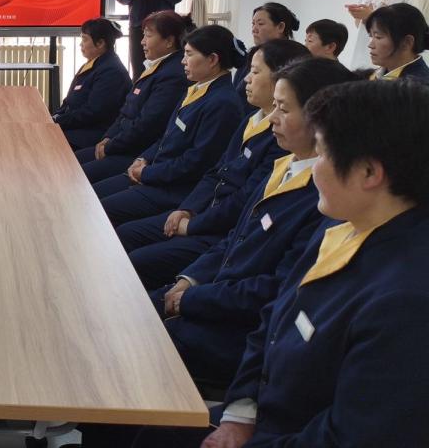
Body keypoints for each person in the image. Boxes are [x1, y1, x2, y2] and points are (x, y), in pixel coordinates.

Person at [149, 80, 429, 448]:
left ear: (368, 173)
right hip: (263, 413)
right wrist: (240, 413)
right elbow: (274, 317)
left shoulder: (406, 299)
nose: (314, 168)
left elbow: (351, 436)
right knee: (148, 427)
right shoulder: (340, 225)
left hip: (287, 435)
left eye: (323, 153)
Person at [156, 57, 357, 392]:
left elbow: (276, 289)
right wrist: (190, 280)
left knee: (137, 337)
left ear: (321, 118)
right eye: (273, 106)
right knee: (132, 308)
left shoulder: (325, 200)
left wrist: (194, 300)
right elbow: (235, 238)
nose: (272, 118)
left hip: (239, 329)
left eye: (284, 109)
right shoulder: (284, 166)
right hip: (214, 296)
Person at [117, 39, 308, 290]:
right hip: (201, 209)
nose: (246, 79)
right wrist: (187, 209)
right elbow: (216, 171)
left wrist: (192, 224)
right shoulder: (252, 118)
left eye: (255, 71)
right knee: (126, 234)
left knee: (138, 258)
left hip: (216, 226)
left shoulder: (278, 138)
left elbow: (241, 199)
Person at [90, 25, 246, 227]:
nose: (183, 61)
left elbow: (195, 163)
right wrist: (143, 158)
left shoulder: (223, 103)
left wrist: (147, 173)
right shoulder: (197, 89)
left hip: (174, 189)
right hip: (156, 173)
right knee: (90, 195)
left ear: (212, 59)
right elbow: (166, 136)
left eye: (189, 54)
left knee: (99, 211)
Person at [77, 10, 191, 182]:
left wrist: (111, 146)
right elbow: (125, 110)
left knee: (75, 175)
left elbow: (147, 124)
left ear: (169, 41)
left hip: (136, 152)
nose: (142, 41)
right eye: (143, 35)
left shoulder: (172, 75)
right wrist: (108, 137)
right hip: (120, 142)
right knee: (69, 162)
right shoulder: (155, 66)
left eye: (148, 36)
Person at [52, 18, 132, 151]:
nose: (80, 44)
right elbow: (69, 101)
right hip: (76, 127)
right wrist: (55, 116)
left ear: (100, 43)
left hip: (91, 134)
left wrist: (58, 121)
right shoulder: (93, 64)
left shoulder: (111, 71)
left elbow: (93, 112)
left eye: (84, 40)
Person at [232, 2, 299, 109]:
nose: (254, 29)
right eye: (253, 24)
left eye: (260, 24)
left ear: (280, 27)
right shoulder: (252, 56)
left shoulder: (293, 59)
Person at [365, 2, 429, 82]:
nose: (370, 45)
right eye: (371, 36)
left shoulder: (418, 86)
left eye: (378, 37)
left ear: (407, 42)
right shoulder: (377, 73)